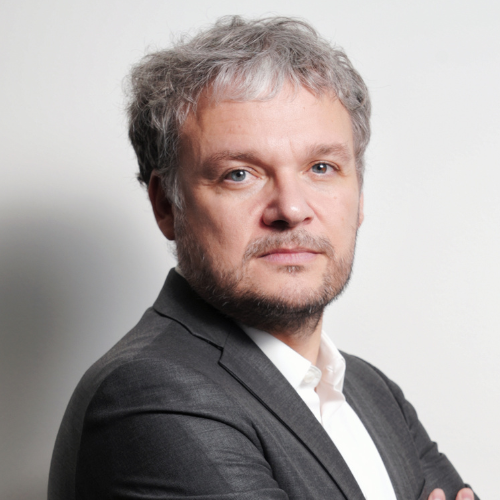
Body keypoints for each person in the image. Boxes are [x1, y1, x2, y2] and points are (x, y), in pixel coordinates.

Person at [48, 16, 478, 500]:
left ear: (359, 197)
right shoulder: (149, 395)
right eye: (239, 174)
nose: (291, 209)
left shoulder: (373, 392)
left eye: (321, 167)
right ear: (167, 205)